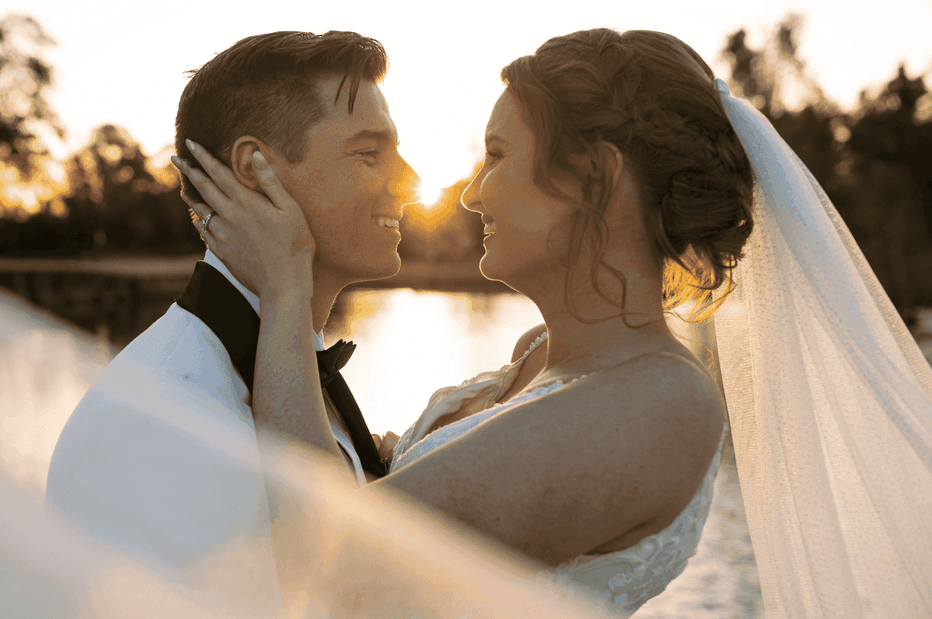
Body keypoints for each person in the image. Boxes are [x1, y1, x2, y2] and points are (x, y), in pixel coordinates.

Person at [178, 27, 932, 617]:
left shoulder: (659, 406)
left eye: (498, 155)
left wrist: (285, 286)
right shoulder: (539, 356)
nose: (472, 194)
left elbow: (326, 557)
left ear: (593, 178)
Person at [45, 30, 418, 585]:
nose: (410, 182)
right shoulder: (166, 422)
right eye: (370, 153)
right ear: (254, 170)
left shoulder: (288, 371)